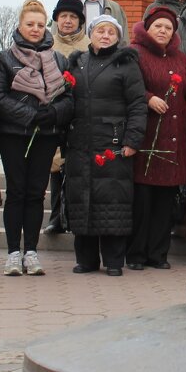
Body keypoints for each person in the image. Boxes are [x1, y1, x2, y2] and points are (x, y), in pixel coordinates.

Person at [0, 0, 75, 276]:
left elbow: (68, 98)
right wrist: (29, 114)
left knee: (36, 194)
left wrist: (51, 113)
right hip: (15, 134)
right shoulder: (6, 58)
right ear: (20, 26)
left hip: (46, 135)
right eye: (30, 24)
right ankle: (13, 252)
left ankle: (31, 251)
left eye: (40, 25)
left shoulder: (58, 60)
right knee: (16, 192)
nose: (36, 29)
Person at [65, 15, 147, 276]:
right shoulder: (78, 63)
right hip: (81, 142)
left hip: (113, 141)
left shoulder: (126, 63)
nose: (105, 35)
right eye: (100, 30)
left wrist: (133, 139)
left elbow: (137, 104)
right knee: (83, 197)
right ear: (91, 33)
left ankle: (113, 260)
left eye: (111, 32)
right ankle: (86, 260)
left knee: (113, 198)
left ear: (117, 36)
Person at [127, 6, 186, 270]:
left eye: (168, 28)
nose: (163, 31)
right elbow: (127, 86)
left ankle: (158, 254)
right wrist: (148, 98)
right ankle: (137, 254)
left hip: (173, 138)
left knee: (165, 202)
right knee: (142, 201)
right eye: (158, 27)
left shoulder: (179, 57)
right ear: (148, 28)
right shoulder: (135, 53)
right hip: (147, 136)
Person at [45, 0, 89, 234]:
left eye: (73, 17)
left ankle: (74, 216)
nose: (68, 21)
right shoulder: (47, 46)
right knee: (55, 165)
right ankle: (56, 217)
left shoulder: (90, 45)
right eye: (64, 17)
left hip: (82, 114)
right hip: (56, 113)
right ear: (57, 20)